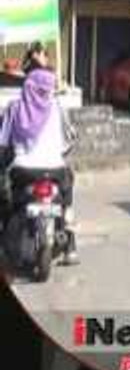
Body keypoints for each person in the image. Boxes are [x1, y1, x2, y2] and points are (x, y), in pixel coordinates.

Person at [0, 68, 78, 265]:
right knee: (66, 198)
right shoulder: (58, 108)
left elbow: (2, 142)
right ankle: (70, 246)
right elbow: (70, 138)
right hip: (55, 169)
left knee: (7, 198)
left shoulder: (14, 108)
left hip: (23, 170)